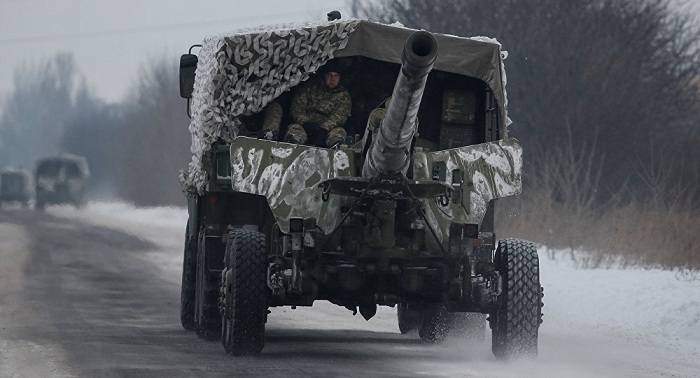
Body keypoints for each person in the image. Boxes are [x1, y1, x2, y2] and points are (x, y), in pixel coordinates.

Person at [283, 61, 352, 148]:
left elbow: (340, 116)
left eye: (336, 76)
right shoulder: (310, 88)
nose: (332, 79)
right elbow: (297, 108)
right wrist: (306, 123)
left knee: (339, 133)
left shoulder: (343, 95)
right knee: (295, 129)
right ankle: (292, 148)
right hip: (306, 126)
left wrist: (324, 129)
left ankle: (336, 149)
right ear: (324, 76)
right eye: (329, 75)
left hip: (328, 130)